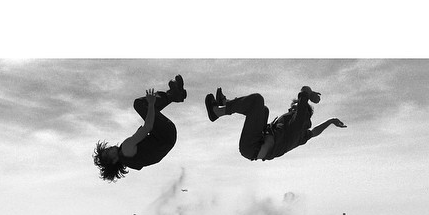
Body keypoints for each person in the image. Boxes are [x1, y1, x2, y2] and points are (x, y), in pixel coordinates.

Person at [204, 85, 346, 162]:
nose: (290, 110)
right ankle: (226, 103)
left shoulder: (298, 122)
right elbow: (315, 131)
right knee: (263, 110)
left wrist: (308, 93)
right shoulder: (302, 135)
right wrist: (330, 121)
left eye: (293, 109)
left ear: (300, 111)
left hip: (253, 146)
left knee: (257, 100)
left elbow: (303, 94)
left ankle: (216, 112)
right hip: (256, 146)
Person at [93, 75, 187, 182]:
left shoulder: (130, 162)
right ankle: (173, 95)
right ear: (113, 161)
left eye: (106, 149)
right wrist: (151, 104)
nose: (108, 148)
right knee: (140, 104)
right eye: (107, 153)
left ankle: (175, 95)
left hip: (167, 139)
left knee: (149, 112)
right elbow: (148, 126)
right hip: (165, 134)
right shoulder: (126, 148)